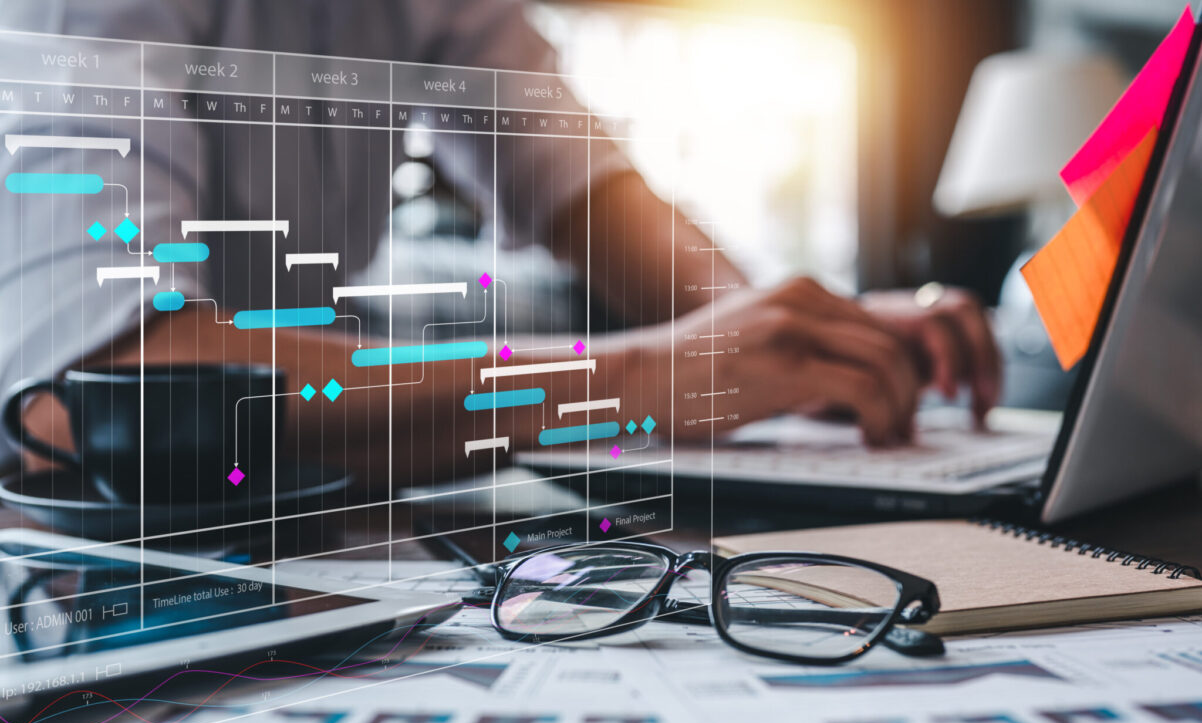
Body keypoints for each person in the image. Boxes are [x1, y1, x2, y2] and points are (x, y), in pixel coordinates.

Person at [0, 0, 998, 489]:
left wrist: (794, 335)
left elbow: (585, 187)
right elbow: (119, 382)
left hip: (276, 517)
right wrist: (652, 375)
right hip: (63, 550)